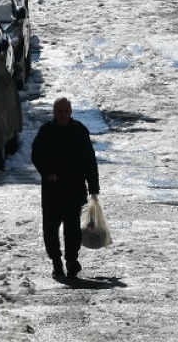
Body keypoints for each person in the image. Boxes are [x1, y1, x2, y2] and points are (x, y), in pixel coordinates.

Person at [31, 97, 101, 278]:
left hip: (74, 187)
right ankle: (56, 261)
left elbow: (89, 161)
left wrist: (93, 187)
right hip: (52, 189)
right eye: (60, 111)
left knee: (72, 227)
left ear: (70, 112)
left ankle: (71, 260)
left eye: (66, 111)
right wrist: (47, 172)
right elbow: (36, 155)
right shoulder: (46, 131)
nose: (63, 115)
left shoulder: (79, 131)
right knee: (51, 227)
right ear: (54, 113)